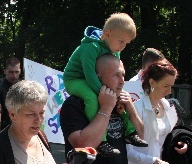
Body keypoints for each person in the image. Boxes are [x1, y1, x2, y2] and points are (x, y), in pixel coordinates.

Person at [62, 13, 147, 155]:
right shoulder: (90, 47)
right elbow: (89, 76)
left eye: (126, 43)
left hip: (93, 80)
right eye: (121, 41)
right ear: (107, 33)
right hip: (75, 80)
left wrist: (117, 97)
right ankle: (101, 141)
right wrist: (108, 98)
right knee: (92, 98)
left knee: (118, 96)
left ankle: (131, 133)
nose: (123, 47)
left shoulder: (114, 50)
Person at [0, 57, 21, 130]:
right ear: (5, 71)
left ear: (20, 71)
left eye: (16, 72)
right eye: (11, 72)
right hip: (4, 130)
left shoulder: (23, 89)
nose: (14, 75)